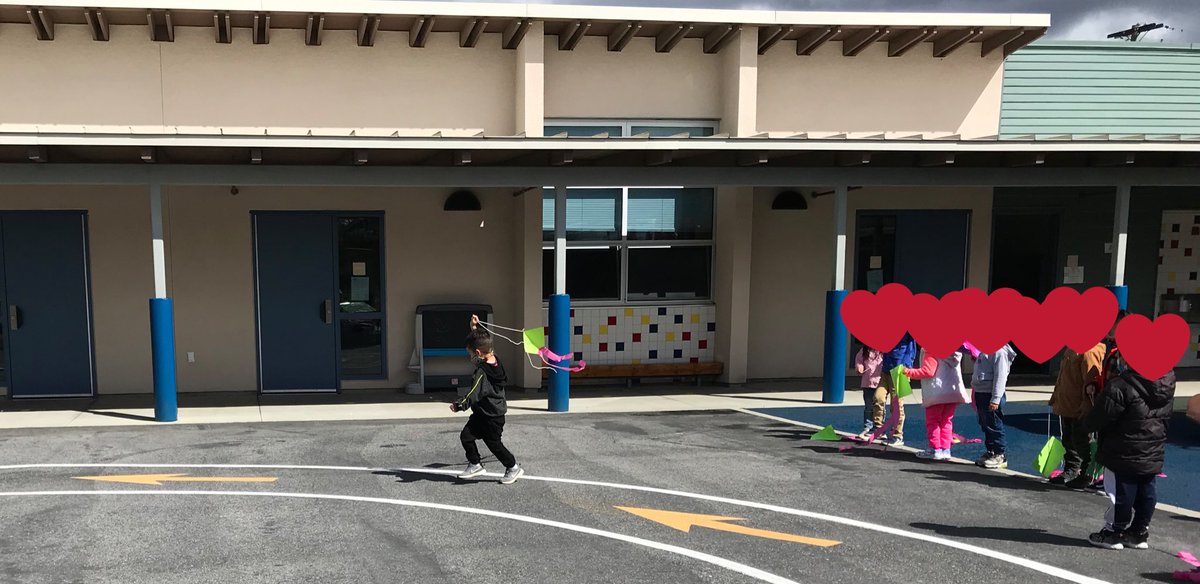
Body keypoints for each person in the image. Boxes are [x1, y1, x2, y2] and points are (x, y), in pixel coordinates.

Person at [1084, 352, 1176, 550]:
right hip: (1152, 446)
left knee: (1120, 490)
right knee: (1146, 489)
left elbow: (1100, 415)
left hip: (1121, 447)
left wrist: (1086, 425)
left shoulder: (1121, 385)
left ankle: (1113, 532)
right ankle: (1139, 531)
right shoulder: (1166, 383)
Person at [451, 315, 523, 485]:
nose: (470, 356)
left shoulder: (482, 373)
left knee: (494, 444)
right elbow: (481, 347)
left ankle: (513, 467)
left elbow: (474, 392)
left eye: (470, 352)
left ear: (477, 353)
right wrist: (474, 329)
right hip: (482, 414)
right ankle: (475, 464)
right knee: (466, 437)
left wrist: (459, 405)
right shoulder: (494, 360)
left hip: (492, 416)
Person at [1048, 343, 1105, 489]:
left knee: (1082, 441)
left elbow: (1091, 381)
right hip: (1067, 404)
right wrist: (1055, 397)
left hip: (1079, 407)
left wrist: (1087, 405)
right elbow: (1062, 377)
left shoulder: (1089, 351)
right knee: (1069, 439)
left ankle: (1086, 473)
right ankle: (1072, 469)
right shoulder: (1071, 349)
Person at [904, 346, 970, 460]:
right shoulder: (956, 351)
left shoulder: (931, 348)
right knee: (946, 421)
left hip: (936, 392)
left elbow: (928, 372)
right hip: (952, 392)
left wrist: (907, 372)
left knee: (933, 422)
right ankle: (946, 450)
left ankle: (935, 449)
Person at [972, 343, 1017, 469]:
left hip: (991, 394)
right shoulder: (984, 350)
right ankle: (990, 451)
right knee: (985, 424)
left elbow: (1000, 377)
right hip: (982, 392)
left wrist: (996, 399)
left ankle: (999, 454)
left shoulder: (999, 352)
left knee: (994, 424)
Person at [876, 333, 918, 446]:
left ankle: (897, 435)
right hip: (886, 369)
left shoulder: (909, 332)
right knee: (878, 397)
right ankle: (879, 429)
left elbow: (911, 351)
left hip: (900, 371)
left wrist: (906, 367)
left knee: (897, 404)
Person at [854, 344, 884, 437]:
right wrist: (859, 367)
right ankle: (868, 428)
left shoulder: (883, 351)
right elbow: (859, 361)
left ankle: (879, 428)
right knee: (868, 407)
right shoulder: (864, 350)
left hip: (880, 383)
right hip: (867, 383)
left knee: (880, 406)